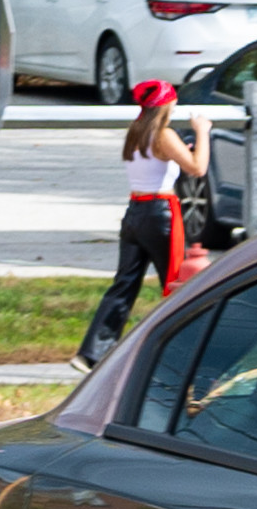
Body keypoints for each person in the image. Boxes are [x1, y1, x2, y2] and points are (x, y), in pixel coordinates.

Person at [72, 80, 209, 373]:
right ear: (166, 105)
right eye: (173, 101)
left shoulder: (136, 132)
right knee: (176, 284)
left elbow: (157, 162)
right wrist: (203, 132)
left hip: (135, 212)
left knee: (124, 284)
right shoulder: (163, 134)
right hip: (160, 214)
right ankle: (179, 353)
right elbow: (198, 168)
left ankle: (92, 353)